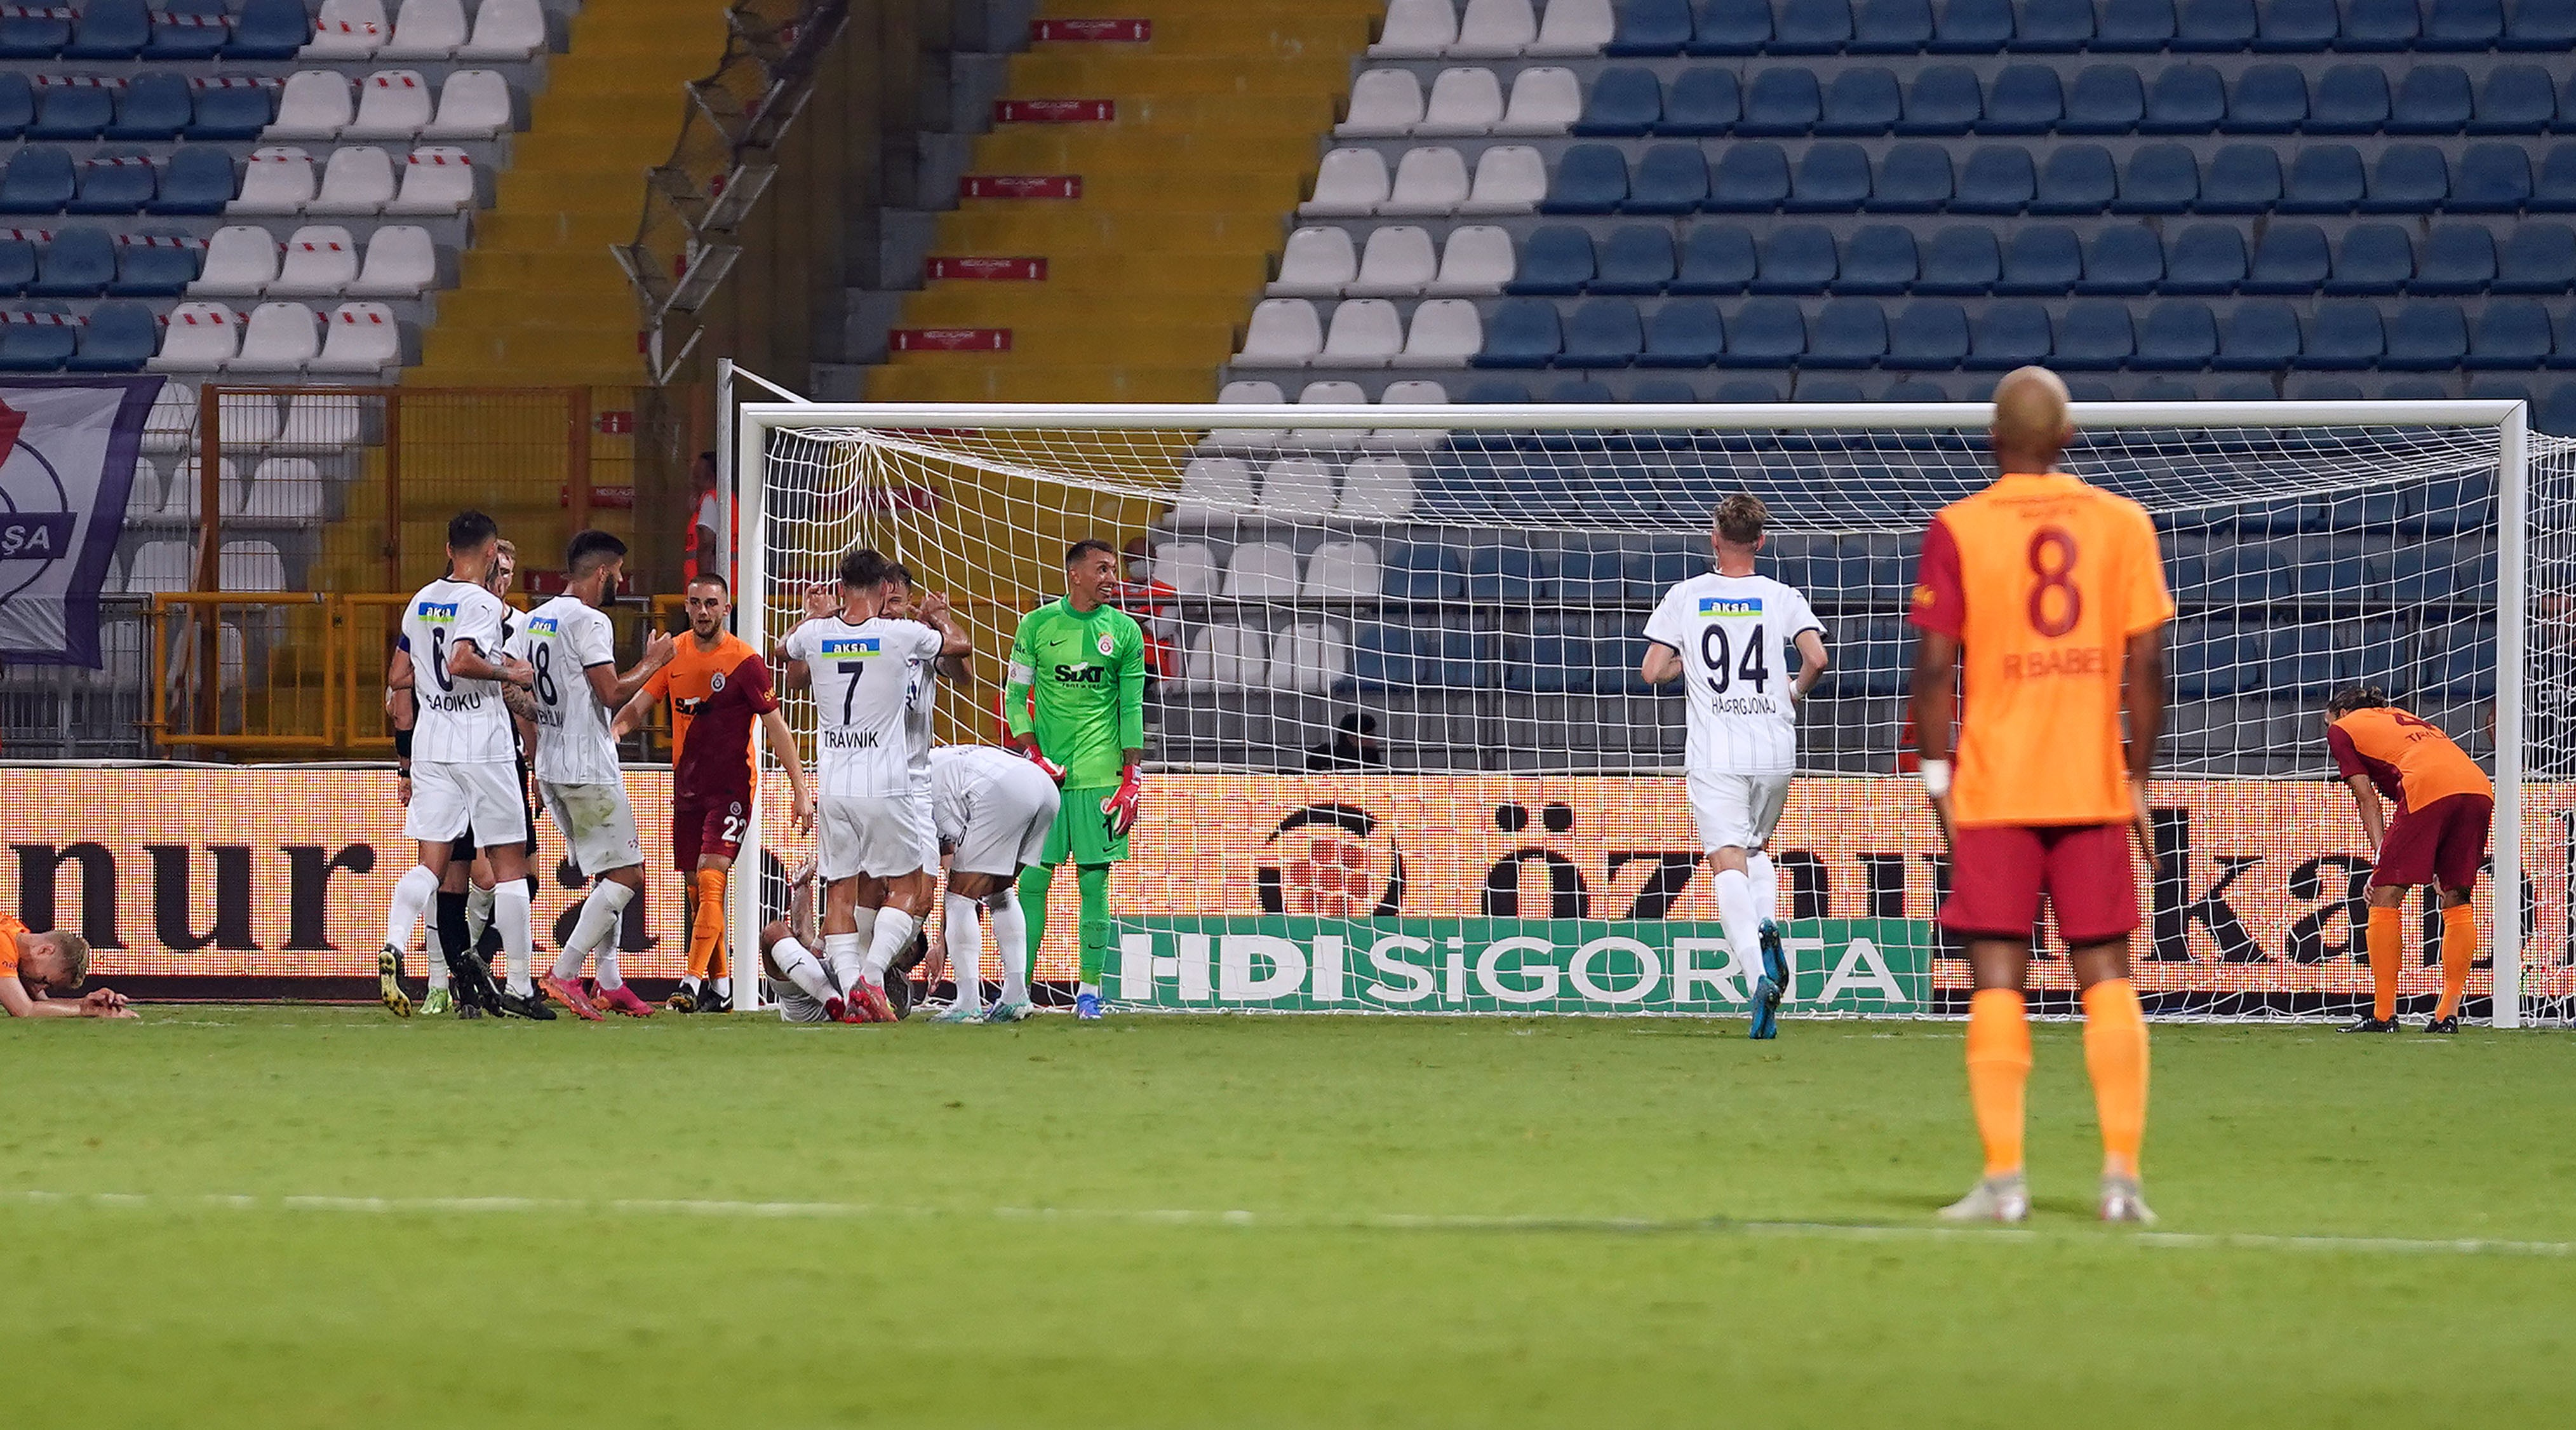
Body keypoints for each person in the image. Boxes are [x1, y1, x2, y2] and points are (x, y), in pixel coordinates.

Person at [1907, 367, 2170, 1227]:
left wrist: (1938, 778)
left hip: (1994, 784)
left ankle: (2005, 1181)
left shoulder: (1959, 526)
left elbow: (1936, 669)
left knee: (1996, 976)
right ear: (2068, 438)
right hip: (2090, 780)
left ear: (1993, 440)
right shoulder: (2123, 522)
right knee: (2106, 972)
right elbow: (2148, 667)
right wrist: (2136, 778)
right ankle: (2121, 1179)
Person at [1640, 493, 1829, 1041]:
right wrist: (1793, 691)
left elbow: (1653, 670)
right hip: (1774, 748)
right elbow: (1817, 658)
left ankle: (1756, 977)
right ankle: (1769, 925)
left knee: (1727, 861)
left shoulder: (1687, 595)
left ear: (1715, 539)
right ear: (1762, 542)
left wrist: (1685, 662)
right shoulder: (1782, 596)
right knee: (1754, 849)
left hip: (1716, 751)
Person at [777, 547, 971, 1022]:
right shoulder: (901, 634)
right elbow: (959, 646)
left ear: (842, 586)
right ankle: (869, 977)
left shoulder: (821, 632)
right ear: (883, 590)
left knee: (842, 891)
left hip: (841, 781)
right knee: (906, 889)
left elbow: (786, 653)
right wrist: (939, 620)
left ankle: (850, 990)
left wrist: (812, 621)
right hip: (887, 783)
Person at [614, 571, 814, 1013]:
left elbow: (776, 726)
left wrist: (800, 787)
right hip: (687, 788)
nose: (702, 611)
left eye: (711, 603)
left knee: (710, 875)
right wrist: (611, 734)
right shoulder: (673, 653)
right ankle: (721, 986)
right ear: (686, 606)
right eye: (695, 603)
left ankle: (691, 979)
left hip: (732, 789)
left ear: (726, 608)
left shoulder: (744, 661)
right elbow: (638, 706)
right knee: (696, 888)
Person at [504, 530, 676, 1018]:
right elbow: (613, 693)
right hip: (587, 766)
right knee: (627, 873)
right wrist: (655, 661)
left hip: (555, 765)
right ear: (602, 572)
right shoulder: (590, 620)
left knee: (606, 871)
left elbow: (516, 697)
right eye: (618, 572)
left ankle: (610, 979)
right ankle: (564, 971)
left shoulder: (531, 620)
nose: (620, 580)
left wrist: (536, 759)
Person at [379, 509, 540, 1020]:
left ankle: (395, 944)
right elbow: (462, 660)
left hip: (432, 743)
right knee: (511, 867)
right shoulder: (480, 602)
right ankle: (518, 984)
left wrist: (431, 681)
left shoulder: (421, 599)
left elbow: (398, 674)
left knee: (432, 863)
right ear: (491, 553)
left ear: (449, 550)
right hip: (482, 742)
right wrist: (508, 670)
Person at [1004, 539, 1148, 1021]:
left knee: (1094, 884)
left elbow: (1131, 708)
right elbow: (1014, 697)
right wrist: (1033, 755)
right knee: (1031, 884)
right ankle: (1016, 991)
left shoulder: (1125, 632)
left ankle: (1089, 991)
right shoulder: (1036, 625)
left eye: (1115, 569)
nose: (1113, 577)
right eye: (1103, 569)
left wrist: (1133, 776)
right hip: (1045, 778)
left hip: (1101, 778)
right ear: (1076, 575)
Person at [2322, 685, 2493, 1034]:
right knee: (2456, 896)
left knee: (2385, 895)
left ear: (2340, 714)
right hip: (2478, 786)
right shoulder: (2410, 720)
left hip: (2428, 787)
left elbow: (2367, 799)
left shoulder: (2343, 728)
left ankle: (2384, 1015)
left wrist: (2381, 859)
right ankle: (2448, 1015)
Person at [926, 744, 1061, 1023]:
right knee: (1000, 891)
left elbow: (954, 877)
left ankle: (967, 1003)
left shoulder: (919, 790)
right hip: (1044, 788)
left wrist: (940, 944)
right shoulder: (940, 761)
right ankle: (1016, 996)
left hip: (1004, 791)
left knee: (959, 898)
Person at [759, 858, 847, 1024]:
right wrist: (802, 887)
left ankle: (835, 1000)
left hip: (849, 989)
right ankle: (832, 1000)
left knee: (774, 931)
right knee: (774, 931)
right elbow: (805, 937)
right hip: (807, 999)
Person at [1, 912, 130, 1019]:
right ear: (45, 951)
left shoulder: (15, 932)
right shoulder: (3, 943)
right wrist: (84, 1011)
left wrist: (87, 1002)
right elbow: (25, 1010)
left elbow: (41, 1003)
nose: (40, 988)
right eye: (43, 980)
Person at [683, 450, 725, 586]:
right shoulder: (726, 501)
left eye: (697, 476)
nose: (693, 482)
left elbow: (706, 542)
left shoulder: (709, 500)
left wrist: (704, 585)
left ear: (711, 479)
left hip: (708, 593)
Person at [1306, 713, 1389, 771]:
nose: (1374, 740)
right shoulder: (1322, 757)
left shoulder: (1372, 760)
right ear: (1351, 738)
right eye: (1370, 736)